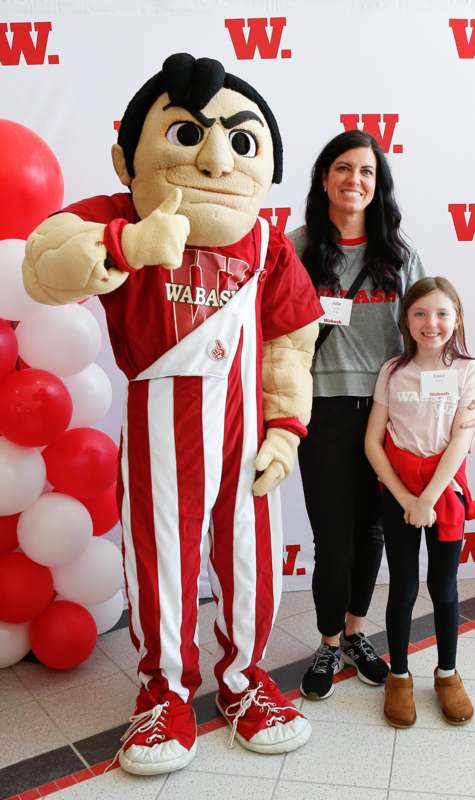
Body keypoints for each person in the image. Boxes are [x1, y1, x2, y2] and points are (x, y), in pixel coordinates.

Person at [23, 53, 324, 774]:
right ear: (130, 156)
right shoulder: (119, 215)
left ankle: (245, 682)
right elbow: (44, 265)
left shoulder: (264, 244)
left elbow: (289, 341)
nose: (217, 160)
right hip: (158, 427)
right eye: (191, 136)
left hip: (244, 431)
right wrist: (125, 245)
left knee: (248, 564)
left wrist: (285, 428)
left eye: (240, 143)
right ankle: (164, 694)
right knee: (162, 566)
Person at [289, 130, 425, 699]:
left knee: (371, 532)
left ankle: (354, 632)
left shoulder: (398, 252)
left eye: (366, 172)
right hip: (321, 408)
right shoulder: (298, 247)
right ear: (325, 179)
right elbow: (274, 332)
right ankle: (325, 643)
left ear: (379, 184)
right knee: (332, 538)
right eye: (343, 169)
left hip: (386, 412)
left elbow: (426, 332)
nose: (354, 181)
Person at [365, 276, 475, 727]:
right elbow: (373, 443)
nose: (430, 323)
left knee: (445, 588)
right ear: (405, 320)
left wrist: (429, 498)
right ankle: (399, 676)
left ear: (456, 319)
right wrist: (404, 498)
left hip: (443, 494)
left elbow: (461, 440)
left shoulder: (468, 372)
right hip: (399, 494)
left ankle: (448, 675)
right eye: (420, 313)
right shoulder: (392, 372)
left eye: (441, 313)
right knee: (403, 588)